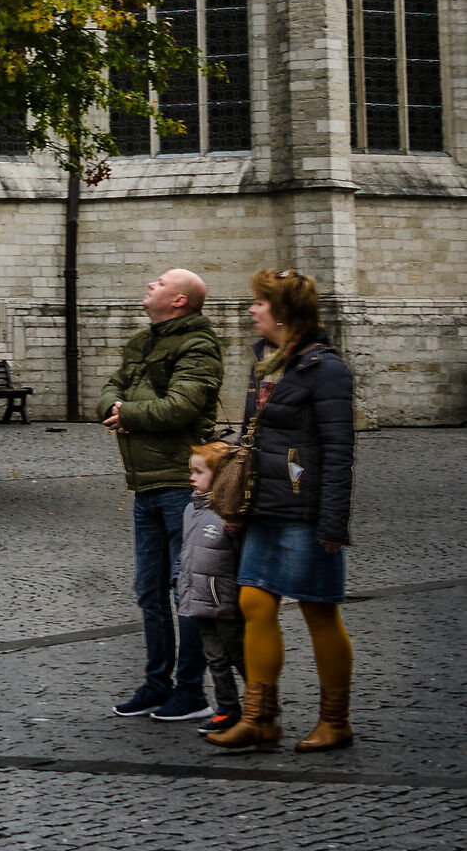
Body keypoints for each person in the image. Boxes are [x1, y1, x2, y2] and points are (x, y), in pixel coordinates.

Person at [212, 267, 355, 755]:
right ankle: (260, 719)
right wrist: (238, 501)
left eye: (260, 302)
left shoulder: (326, 369)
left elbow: (338, 451)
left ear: (284, 312)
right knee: (254, 603)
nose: (252, 310)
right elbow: (256, 438)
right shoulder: (267, 362)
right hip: (266, 506)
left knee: (319, 610)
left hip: (305, 509)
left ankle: (335, 722)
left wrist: (332, 522)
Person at [97, 267, 223, 720]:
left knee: (184, 590)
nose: (151, 284)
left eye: (162, 282)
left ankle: (191, 692)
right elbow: (110, 388)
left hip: (181, 485)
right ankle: (156, 684)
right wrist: (115, 407)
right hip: (146, 486)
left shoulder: (198, 345)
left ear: (179, 301)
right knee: (149, 591)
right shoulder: (142, 341)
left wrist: (127, 413)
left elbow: (182, 406)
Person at [175, 440, 245, 736]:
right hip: (198, 599)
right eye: (191, 471)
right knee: (215, 658)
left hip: (224, 601)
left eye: (199, 472)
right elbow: (187, 550)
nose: (191, 478)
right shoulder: (191, 509)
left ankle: (261, 706)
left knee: (240, 656)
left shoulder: (231, 516)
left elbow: (240, 556)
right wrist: (180, 579)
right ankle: (227, 709)